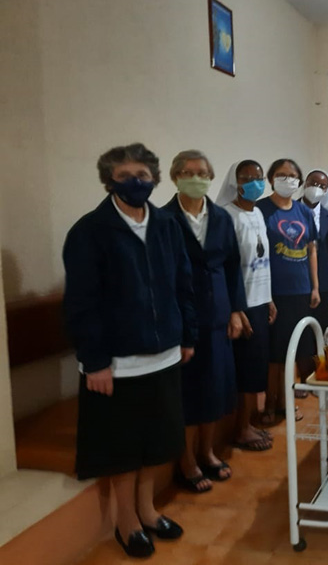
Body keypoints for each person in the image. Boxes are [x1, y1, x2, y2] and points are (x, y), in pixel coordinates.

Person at [63, 143, 195, 558]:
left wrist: (187, 335)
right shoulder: (90, 231)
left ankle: (148, 510)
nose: (135, 183)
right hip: (117, 363)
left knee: (157, 441)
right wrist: (95, 361)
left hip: (164, 354)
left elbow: (183, 284)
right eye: (124, 177)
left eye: (142, 175)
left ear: (154, 178)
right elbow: (82, 303)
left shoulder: (166, 225)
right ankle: (127, 522)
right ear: (109, 181)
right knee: (124, 447)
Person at [163, 150, 247, 492]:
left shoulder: (221, 217)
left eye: (201, 172)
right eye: (187, 172)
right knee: (188, 391)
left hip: (218, 312)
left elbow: (233, 266)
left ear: (210, 178)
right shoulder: (163, 219)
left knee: (214, 388)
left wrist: (236, 310)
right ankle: (186, 461)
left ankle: (208, 452)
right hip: (181, 315)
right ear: (175, 177)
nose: (195, 178)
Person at [217, 160, 276, 452]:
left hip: (260, 300)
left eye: (258, 177)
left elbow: (262, 260)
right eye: (247, 178)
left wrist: (269, 298)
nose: (254, 182)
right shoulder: (227, 216)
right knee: (245, 370)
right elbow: (226, 267)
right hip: (243, 306)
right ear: (235, 183)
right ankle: (240, 429)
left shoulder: (258, 213)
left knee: (256, 368)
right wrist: (236, 308)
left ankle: (248, 424)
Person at [256, 158, 319, 423]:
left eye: (293, 176)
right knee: (274, 353)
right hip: (273, 292)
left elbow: (311, 249)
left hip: (300, 290)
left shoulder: (303, 211)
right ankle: (270, 403)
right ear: (271, 179)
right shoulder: (261, 210)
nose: (288, 179)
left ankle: (286, 401)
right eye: (281, 175)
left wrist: (315, 286)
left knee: (292, 351)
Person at [302, 169, 328, 331]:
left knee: (321, 330)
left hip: (324, 284)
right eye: (313, 184)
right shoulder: (292, 211)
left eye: (322, 186)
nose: (317, 188)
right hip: (298, 283)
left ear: (326, 191)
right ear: (305, 184)